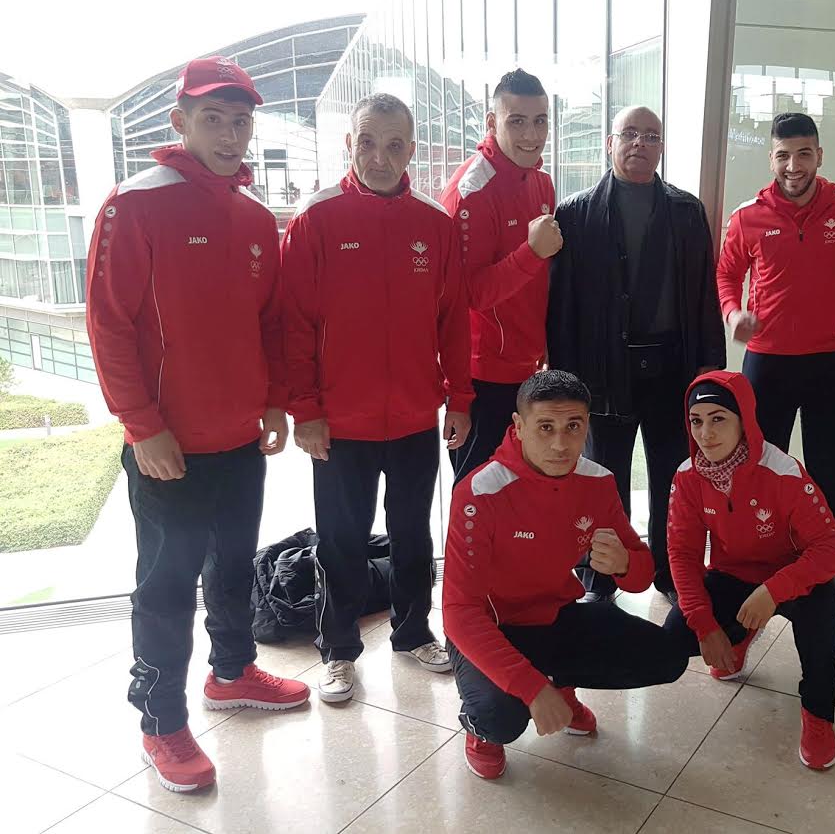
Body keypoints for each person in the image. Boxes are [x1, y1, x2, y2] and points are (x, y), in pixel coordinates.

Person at [86, 57, 309, 794]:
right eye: (213, 118)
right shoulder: (134, 204)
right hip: (167, 447)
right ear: (179, 122)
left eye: (241, 120)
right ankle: (161, 720)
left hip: (239, 438)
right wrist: (141, 425)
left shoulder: (253, 217)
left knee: (233, 566)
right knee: (167, 589)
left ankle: (232, 671)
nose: (229, 134)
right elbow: (109, 325)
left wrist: (273, 400)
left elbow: (268, 321)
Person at [282, 92, 473, 703]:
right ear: (350, 143)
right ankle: (338, 650)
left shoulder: (434, 224)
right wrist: (306, 411)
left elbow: (453, 320)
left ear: (411, 150)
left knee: (413, 533)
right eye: (367, 142)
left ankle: (413, 631)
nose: (380, 157)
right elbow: (294, 324)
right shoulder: (317, 219)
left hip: (415, 415)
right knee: (340, 540)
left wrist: (460, 397)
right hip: (340, 423)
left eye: (394, 145)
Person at [442, 370, 688, 779]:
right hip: (491, 627)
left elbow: (641, 575)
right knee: (499, 717)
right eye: (545, 427)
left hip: (556, 615)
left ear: (587, 425)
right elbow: (459, 613)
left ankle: (558, 683)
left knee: (667, 657)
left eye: (573, 426)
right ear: (519, 426)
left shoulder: (597, 481)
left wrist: (625, 564)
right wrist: (531, 688)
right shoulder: (479, 492)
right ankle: (480, 729)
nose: (560, 444)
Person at [547, 105, 726, 604]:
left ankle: (673, 574)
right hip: (603, 370)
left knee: (674, 481)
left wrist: (710, 364)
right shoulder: (575, 213)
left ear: (661, 147)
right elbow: (562, 307)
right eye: (630, 134)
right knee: (603, 482)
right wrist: (565, 382)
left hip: (672, 368)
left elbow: (704, 293)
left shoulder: (686, 212)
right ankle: (600, 581)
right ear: (610, 143)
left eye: (651, 136)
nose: (639, 144)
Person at [718, 111, 835, 596]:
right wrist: (733, 313)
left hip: (830, 361)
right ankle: (762, 554)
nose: (794, 166)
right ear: (771, 158)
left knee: (833, 468)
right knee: (761, 466)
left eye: (804, 154)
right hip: (766, 364)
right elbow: (726, 274)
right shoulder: (748, 216)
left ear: (819, 155)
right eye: (783, 156)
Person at [664, 371, 835, 770]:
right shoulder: (688, 476)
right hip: (733, 575)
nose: (706, 434)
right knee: (675, 637)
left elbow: (831, 549)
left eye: (718, 419)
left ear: (744, 421)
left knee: (820, 621)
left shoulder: (782, 472)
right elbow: (682, 554)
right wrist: (704, 624)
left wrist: (774, 590)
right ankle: (740, 633)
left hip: (794, 575)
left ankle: (818, 712)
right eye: (696, 421)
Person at [439, 69, 558, 485]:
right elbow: (469, 294)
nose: (532, 134)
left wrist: (545, 340)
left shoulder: (541, 182)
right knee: (479, 494)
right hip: (482, 377)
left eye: (540, 121)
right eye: (517, 121)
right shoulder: (470, 192)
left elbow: (538, 282)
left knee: (521, 492)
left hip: (528, 370)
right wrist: (531, 252)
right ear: (491, 122)